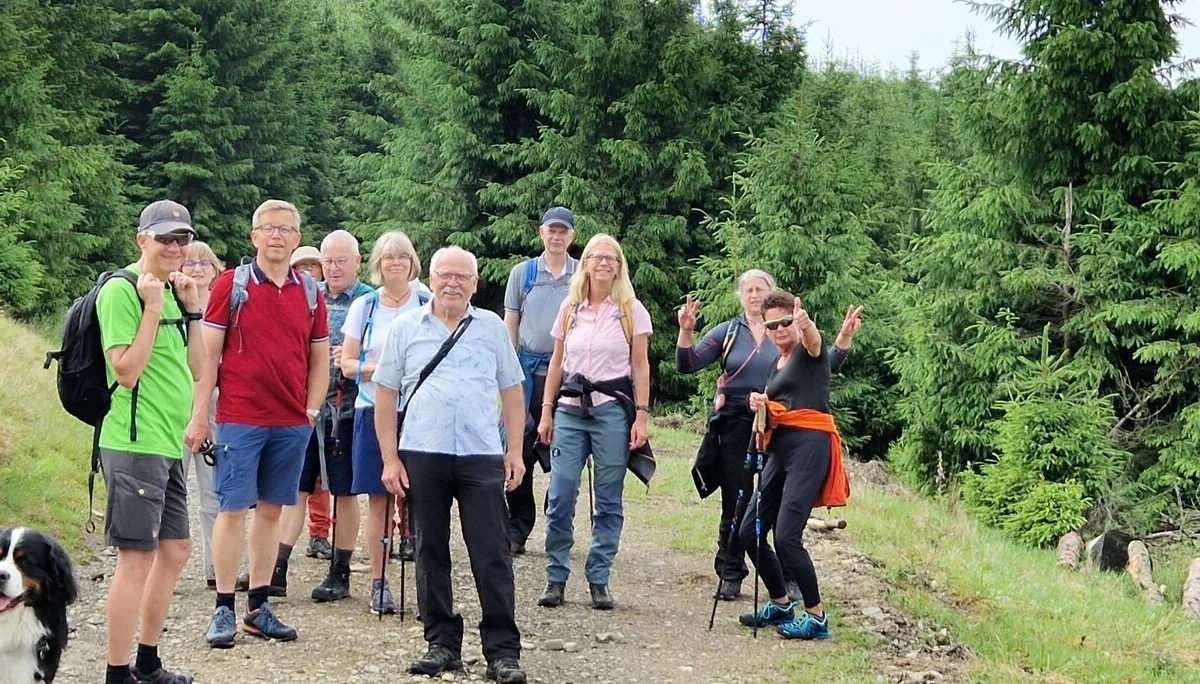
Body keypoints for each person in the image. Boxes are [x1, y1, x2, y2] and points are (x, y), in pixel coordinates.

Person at [374, 246, 529, 684]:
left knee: (492, 553)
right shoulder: (406, 328)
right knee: (429, 550)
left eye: (462, 277)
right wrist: (390, 458)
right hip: (423, 450)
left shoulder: (492, 327)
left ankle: (502, 650)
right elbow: (385, 395)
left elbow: (513, 392)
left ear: (475, 284)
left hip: (481, 452)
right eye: (445, 275)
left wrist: (514, 451)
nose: (452, 283)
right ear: (432, 277)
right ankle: (441, 642)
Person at [186, 199, 330, 649]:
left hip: (290, 422)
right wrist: (199, 415)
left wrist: (309, 413)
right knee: (232, 510)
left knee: (271, 512)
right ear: (254, 237)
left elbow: (320, 360)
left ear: (297, 238)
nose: (276, 236)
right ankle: (224, 608)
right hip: (239, 418)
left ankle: (258, 606)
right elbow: (207, 358)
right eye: (268, 228)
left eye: (285, 229)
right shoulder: (232, 284)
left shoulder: (309, 292)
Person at [676, 271, 862, 601]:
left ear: (772, 296)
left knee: (782, 515)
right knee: (738, 504)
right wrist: (687, 331)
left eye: (760, 289)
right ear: (740, 296)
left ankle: (791, 584)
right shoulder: (733, 333)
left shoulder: (796, 340)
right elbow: (688, 364)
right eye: (747, 290)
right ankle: (733, 574)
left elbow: (822, 359)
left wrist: (825, 333)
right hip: (741, 424)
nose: (753, 295)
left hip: (791, 431)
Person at [99, 200, 205, 684]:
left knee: (177, 550)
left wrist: (193, 312)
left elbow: (200, 370)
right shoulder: (122, 291)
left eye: (181, 239)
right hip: (133, 442)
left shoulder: (171, 291)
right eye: (165, 238)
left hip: (165, 444)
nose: (175, 247)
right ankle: (117, 673)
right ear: (142, 240)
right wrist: (154, 308)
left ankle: (147, 661)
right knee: (137, 557)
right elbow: (125, 370)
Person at [536, 233, 652, 611]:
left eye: (611, 258)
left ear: (619, 266)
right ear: (585, 263)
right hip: (570, 410)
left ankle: (599, 578)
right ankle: (556, 576)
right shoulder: (570, 309)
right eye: (596, 257)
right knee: (561, 495)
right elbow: (557, 362)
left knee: (607, 499)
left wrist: (641, 415)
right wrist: (546, 410)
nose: (604, 263)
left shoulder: (631, 310)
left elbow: (640, 365)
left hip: (611, 412)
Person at [738, 290, 853, 641]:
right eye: (771, 325)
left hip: (810, 448)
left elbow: (817, 343)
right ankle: (781, 603)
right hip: (780, 450)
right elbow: (778, 405)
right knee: (749, 532)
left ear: (795, 318)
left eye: (785, 322)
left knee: (787, 536)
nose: (778, 329)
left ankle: (817, 618)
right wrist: (759, 401)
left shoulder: (808, 353)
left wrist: (806, 326)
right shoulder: (777, 363)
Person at [274, 231, 372, 601]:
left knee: (345, 492)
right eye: (328, 261)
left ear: (357, 262)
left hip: (348, 411)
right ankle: (277, 567)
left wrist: (351, 358)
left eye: (341, 260)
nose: (333, 268)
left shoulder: (369, 301)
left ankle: (340, 572)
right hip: (304, 410)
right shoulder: (305, 295)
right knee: (293, 489)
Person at [340, 231, 426, 614]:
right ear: (378, 264)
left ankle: (427, 581)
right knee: (378, 500)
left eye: (402, 258)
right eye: (388, 258)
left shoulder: (427, 303)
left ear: (412, 264)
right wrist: (387, 371)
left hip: (421, 412)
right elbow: (347, 364)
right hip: (373, 410)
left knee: (424, 500)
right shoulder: (366, 306)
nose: (395, 264)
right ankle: (378, 581)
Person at [501, 206, 579, 555]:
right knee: (519, 447)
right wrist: (507, 371)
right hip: (529, 374)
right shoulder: (523, 273)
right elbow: (511, 323)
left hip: (571, 376)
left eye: (563, 231)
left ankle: (557, 519)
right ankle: (517, 528)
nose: (557, 236)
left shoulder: (582, 274)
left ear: (572, 236)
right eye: (552, 230)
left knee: (568, 451)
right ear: (541, 233)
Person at [180, 241, 224, 591]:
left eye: (203, 263)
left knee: (213, 494)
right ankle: (161, 569)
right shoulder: (167, 303)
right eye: (190, 262)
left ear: (215, 270)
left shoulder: (225, 307)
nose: (196, 268)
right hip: (174, 405)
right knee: (169, 490)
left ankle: (216, 569)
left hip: (216, 406)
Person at [287, 245, 333, 560]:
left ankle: (320, 533)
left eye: (311, 267)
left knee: (325, 477)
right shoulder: (290, 300)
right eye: (300, 267)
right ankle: (280, 550)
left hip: (331, 401)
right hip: (293, 400)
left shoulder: (332, 301)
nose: (307, 273)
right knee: (295, 476)